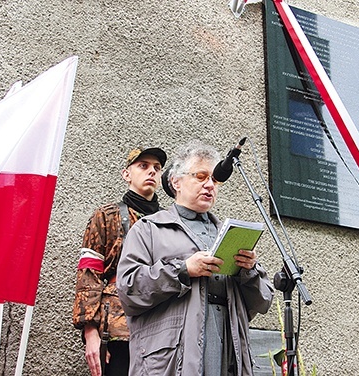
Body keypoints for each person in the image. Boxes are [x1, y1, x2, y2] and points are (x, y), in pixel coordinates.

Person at [116, 140, 274, 376]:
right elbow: (128, 290)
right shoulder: (149, 229)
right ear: (176, 182)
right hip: (172, 359)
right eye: (201, 176)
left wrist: (249, 271)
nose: (210, 185)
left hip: (227, 351)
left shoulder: (229, 234)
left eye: (215, 180)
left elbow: (263, 301)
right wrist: (182, 270)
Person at [72, 146, 168, 376]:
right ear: (127, 174)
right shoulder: (106, 216)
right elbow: (89, 274)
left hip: (163, 333)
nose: (151, 172)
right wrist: (90, 332)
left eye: (156, 168)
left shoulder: (169, 221)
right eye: (143, 166)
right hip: (117, 331)